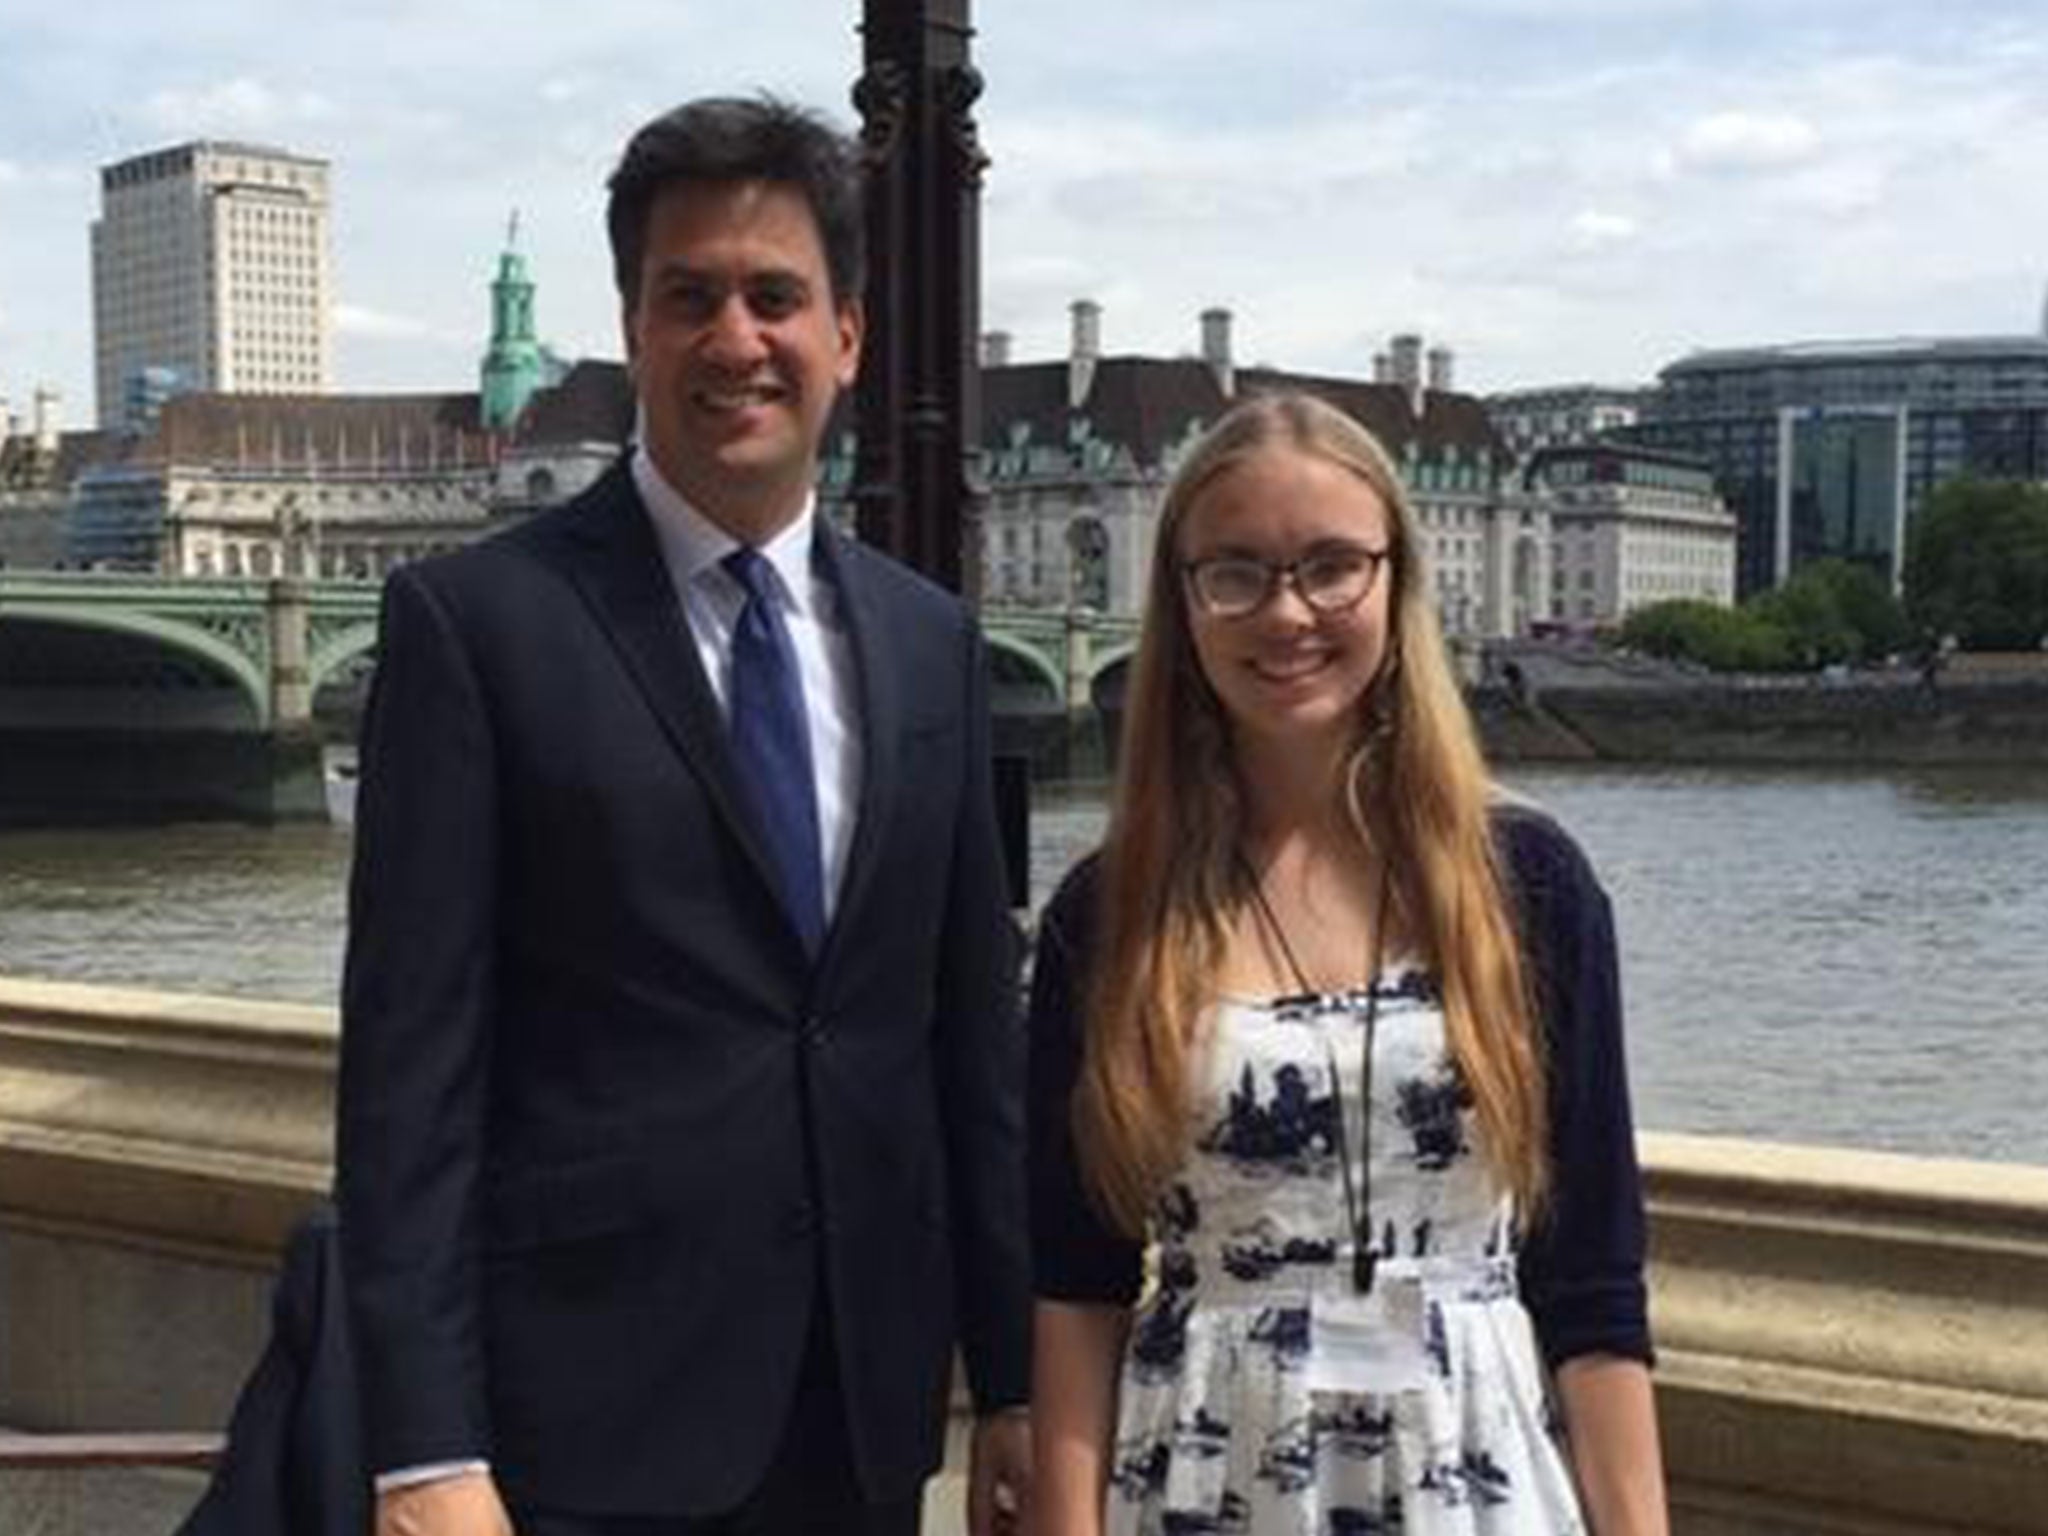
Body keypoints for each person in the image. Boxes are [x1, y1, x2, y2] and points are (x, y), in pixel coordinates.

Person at [336, 96, 1030, 1536]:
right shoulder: (478, 626)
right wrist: (423, 1449)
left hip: (860, 1413)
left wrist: (1015, 1382)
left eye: (777, 297)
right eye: (689, 296)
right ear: (635, 327)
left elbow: (972, 1045)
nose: (736, 340)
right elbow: (411, 1078)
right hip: (573, 1426)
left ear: (849, 336)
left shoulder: (930, 645)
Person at [1027, 392, 1667, 1534]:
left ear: (1394, 581)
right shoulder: (1107, 909)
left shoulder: (1527, 884)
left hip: (1470, 1471)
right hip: (1199, 1476)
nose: (1287, 615)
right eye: (1235, 572)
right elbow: (1076, 1284)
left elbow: (1592, 1284)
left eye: (1331, 567)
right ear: (1182, 603)